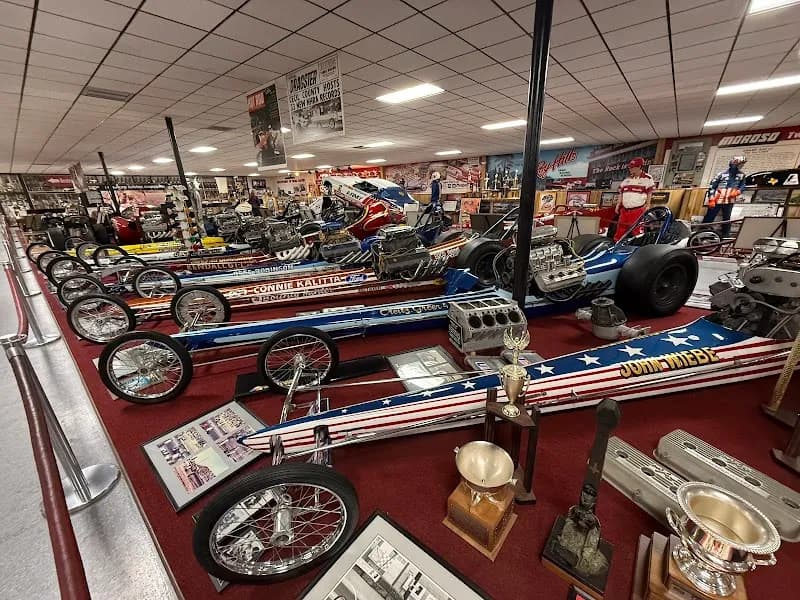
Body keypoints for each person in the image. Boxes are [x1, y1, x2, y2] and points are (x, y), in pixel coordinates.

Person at [702, 156, 747, 240]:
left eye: (741, 164)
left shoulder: (742, 175)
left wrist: (738, 192)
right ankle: (702, 234)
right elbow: (712, 186)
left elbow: (743, 186)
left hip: (730, 200)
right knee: (709, 217)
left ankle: (725, 237)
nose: (739, 166)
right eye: (737, 164)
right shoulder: (721, 174)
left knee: (727, 219)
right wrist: (711, 198)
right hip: (717, 199)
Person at [614, 157, 655, 242]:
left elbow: (650, 192)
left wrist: (648, 205)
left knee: (637, 230)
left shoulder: (647, 178)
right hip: (624, 210)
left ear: (639, 167)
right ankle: (616, 245)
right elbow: (621, 192)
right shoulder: (627, 179)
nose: (630, 169)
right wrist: (618, 205)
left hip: (637, 210)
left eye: (632, 167)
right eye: (630, 167)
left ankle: (639, 246)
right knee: (620, 229)